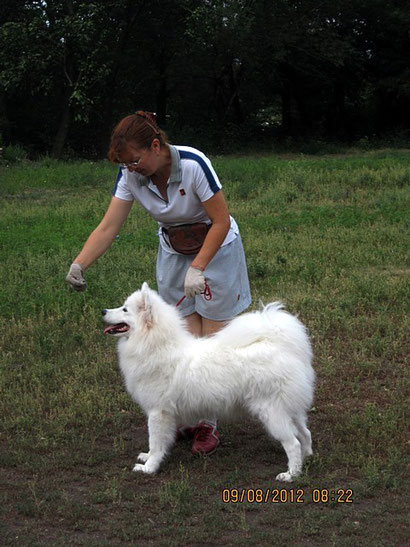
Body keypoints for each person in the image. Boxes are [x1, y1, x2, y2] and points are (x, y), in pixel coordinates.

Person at [66, 111, 251, 455]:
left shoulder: (194, 164)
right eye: (126, 165)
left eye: (135, 161)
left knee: (213, 339)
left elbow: (221, 220)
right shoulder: (130, 174)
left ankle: (208, 422)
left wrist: (199, 267)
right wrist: (80, 263)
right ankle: (184, 414)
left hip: (217, 249)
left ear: (155, 146)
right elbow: (109, 226)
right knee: (183, 337)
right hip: (174, 252)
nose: (131, 169)